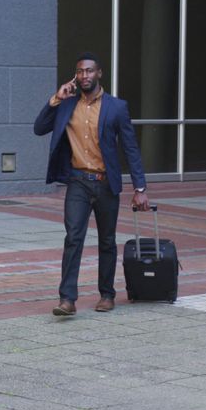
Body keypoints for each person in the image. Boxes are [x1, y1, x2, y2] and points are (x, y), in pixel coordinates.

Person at [34, 52, 151, 316]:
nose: (84, 76)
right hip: (77, 181)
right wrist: (55, 98)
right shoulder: (66, 104)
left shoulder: (117, 107)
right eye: (79, 71)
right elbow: (39, 128)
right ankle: (67, 299)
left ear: (99, 73)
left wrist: (140, 188)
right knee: (73, 238)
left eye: (89, 71)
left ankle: (107, 295)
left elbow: (131, 148)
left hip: (105, 183)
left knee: (107, 240)